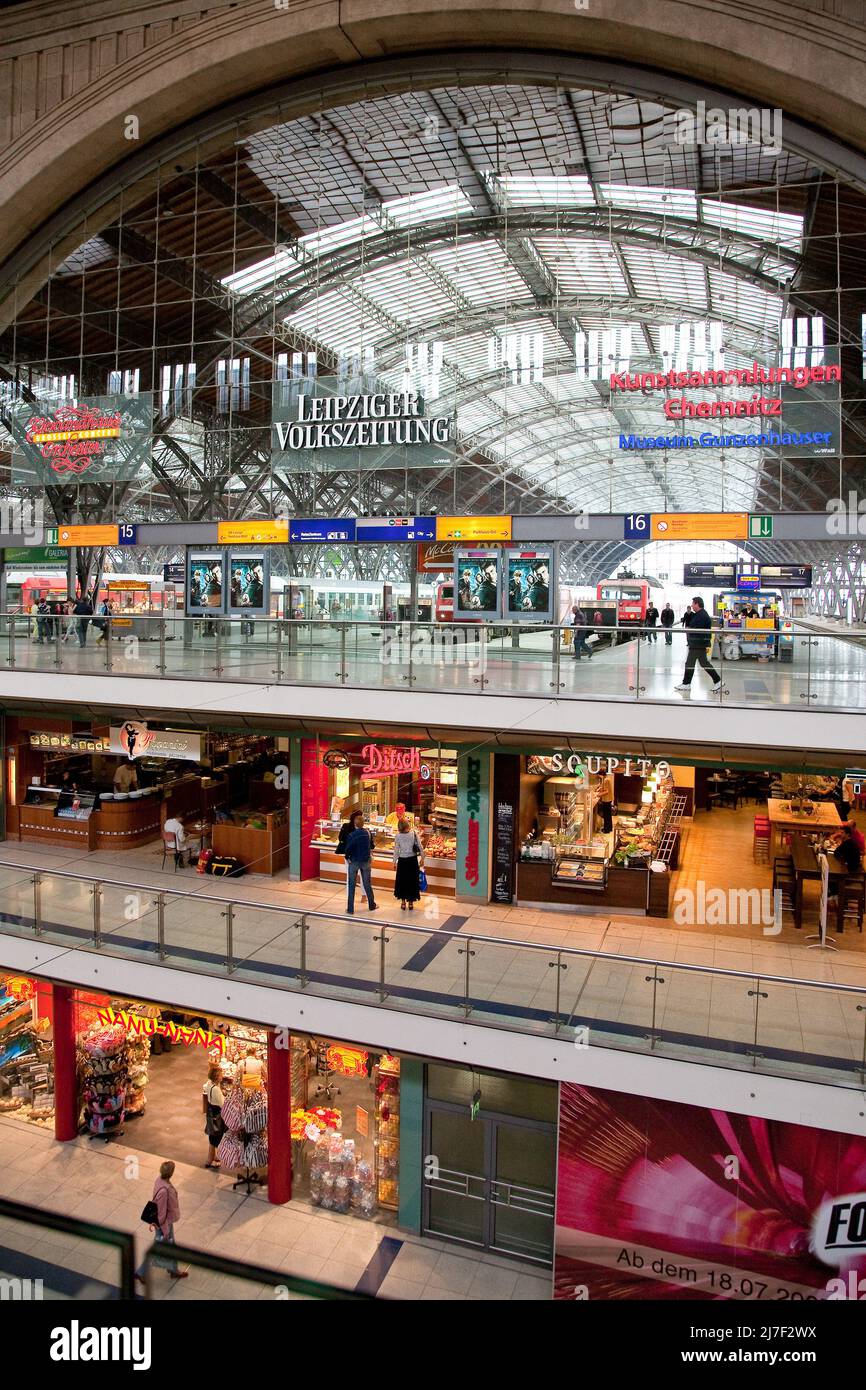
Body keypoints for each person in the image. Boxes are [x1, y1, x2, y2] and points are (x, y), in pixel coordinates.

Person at [135, 1160, 187, 1283]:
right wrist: (165, 1231)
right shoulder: (164, 1191)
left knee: (171, 1246)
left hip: (164, 1222)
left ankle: (173, 1270)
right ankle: (141, 1272)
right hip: (164, 1224)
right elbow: (161, 1214)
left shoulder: (160, 1180)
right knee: (158, 1247)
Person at [675, 597, 727, 695]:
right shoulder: (699, 614)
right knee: (704, 663)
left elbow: (694, 627)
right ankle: (717, 681)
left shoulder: (702, 615)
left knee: (690, 663)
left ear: (697, 604)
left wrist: (690, 629)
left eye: (693, 604)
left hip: (698, 643)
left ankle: (686, 683)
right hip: (698, 643)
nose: (691, 606)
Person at [344, 813, 377, 914]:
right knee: (367, 884)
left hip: (354, 861)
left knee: (352, 884)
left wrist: (347, 857)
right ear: (363, 824)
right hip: (366, 861)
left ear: (355, 824)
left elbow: (348, 848)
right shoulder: (367, 833)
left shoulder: (352, 835)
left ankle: (350, 909)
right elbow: (372, 846)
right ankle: (372, 905)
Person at [393, 817, 422, 910]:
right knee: (412, 881)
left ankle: (403, 902)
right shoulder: (413, 833)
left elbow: (396, 850)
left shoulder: (398, 836)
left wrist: (394, 862)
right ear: (407, 825)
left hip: (402, 861)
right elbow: (420, 846)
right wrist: (423, 858)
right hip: (412, 860)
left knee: (402, 881)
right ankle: (410, 903)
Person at [202, 1064, 225, 1168]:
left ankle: (214, 1157)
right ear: (217, 1077)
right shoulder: (216, 1089)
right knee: (216, 1137)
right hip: (217, 1114)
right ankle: (209, 1160)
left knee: (212, 1135)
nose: (222, 1076)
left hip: (210, 1111)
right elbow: (222, 1103)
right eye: (220, 1075)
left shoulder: (209, 1084)